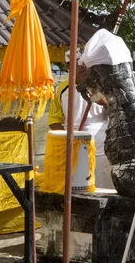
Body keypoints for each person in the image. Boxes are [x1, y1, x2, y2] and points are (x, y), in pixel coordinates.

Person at [47, 48, 115, 190]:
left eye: (85, 64)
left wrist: (104, 103)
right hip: (72, 144)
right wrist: (69, 139)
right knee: (75, 186)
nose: (84, 67)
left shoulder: (101, 86)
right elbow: (54, 120)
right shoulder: (62, 89)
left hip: (99, 145)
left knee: (101, 185)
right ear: (69, 66)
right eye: (79, 63)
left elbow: (115, 113)